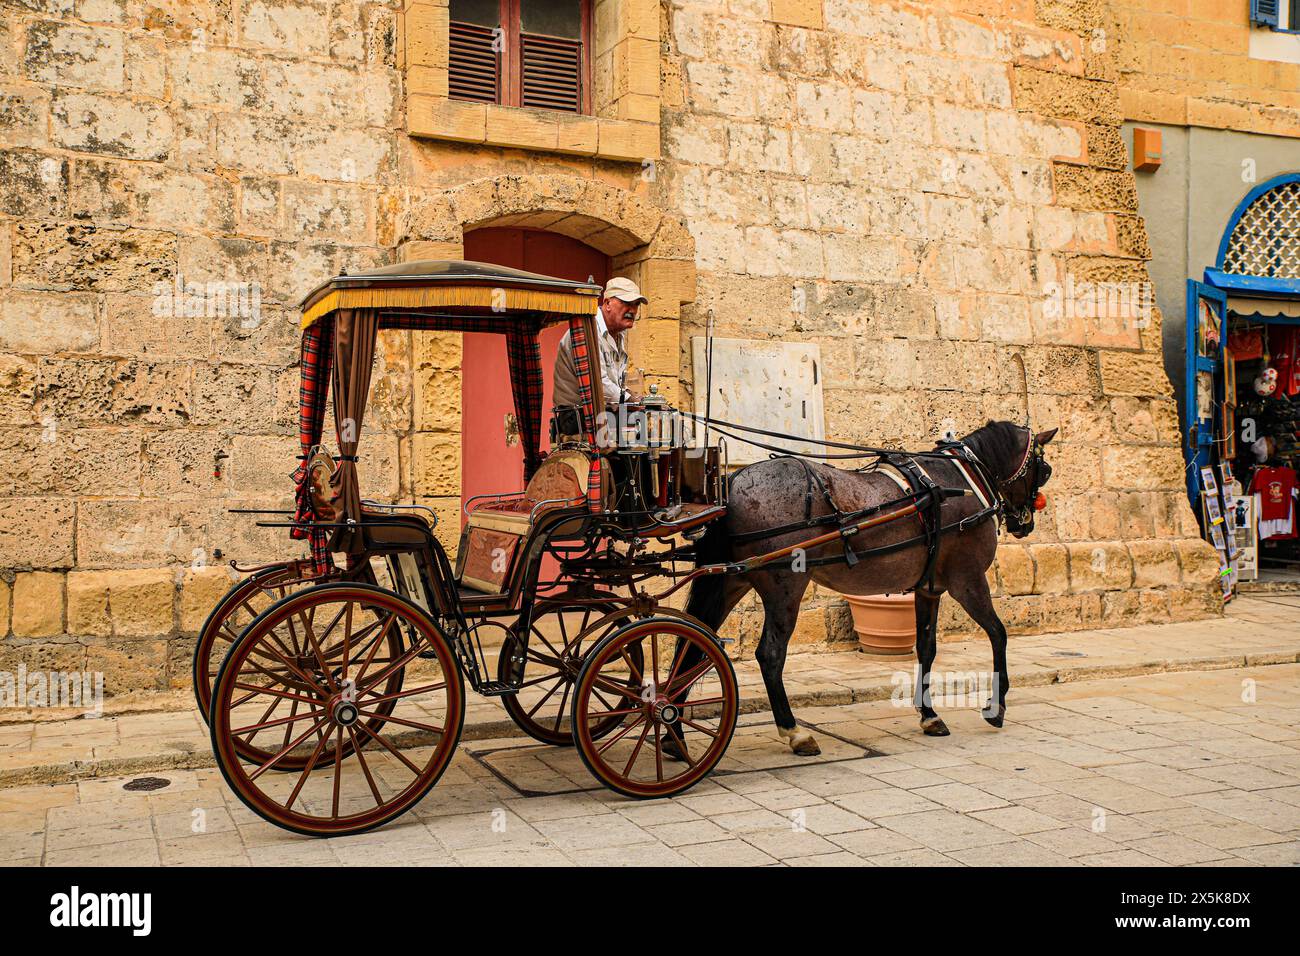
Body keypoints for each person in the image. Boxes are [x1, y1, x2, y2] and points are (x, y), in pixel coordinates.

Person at [552, 277, 647, 442]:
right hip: (575, 417)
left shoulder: (618, 336)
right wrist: (630, 399)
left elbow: (614, 386)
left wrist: (634, 397)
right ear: (608, 303)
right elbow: (599, 384)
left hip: (599, 412)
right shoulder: (587, 332)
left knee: (651, 421)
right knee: (643, 426)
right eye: (626, 303)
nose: (632, 309)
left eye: (636, 304)